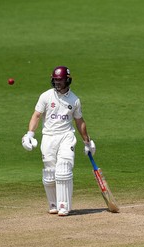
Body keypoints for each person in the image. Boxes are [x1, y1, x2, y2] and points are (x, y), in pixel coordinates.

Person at [21, 66, 96, 216]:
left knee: (63, 170)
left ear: (68, 80)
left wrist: (87, 142)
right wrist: (29, 134)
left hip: (66, 136)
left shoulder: (74, 100)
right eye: (55, 80)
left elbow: (79, 121)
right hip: (48, 137)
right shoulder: (46, 96)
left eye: (60, 80)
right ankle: (53, 204)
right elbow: (36, 115)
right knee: (50, 172)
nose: (57, 83)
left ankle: (64, 206)